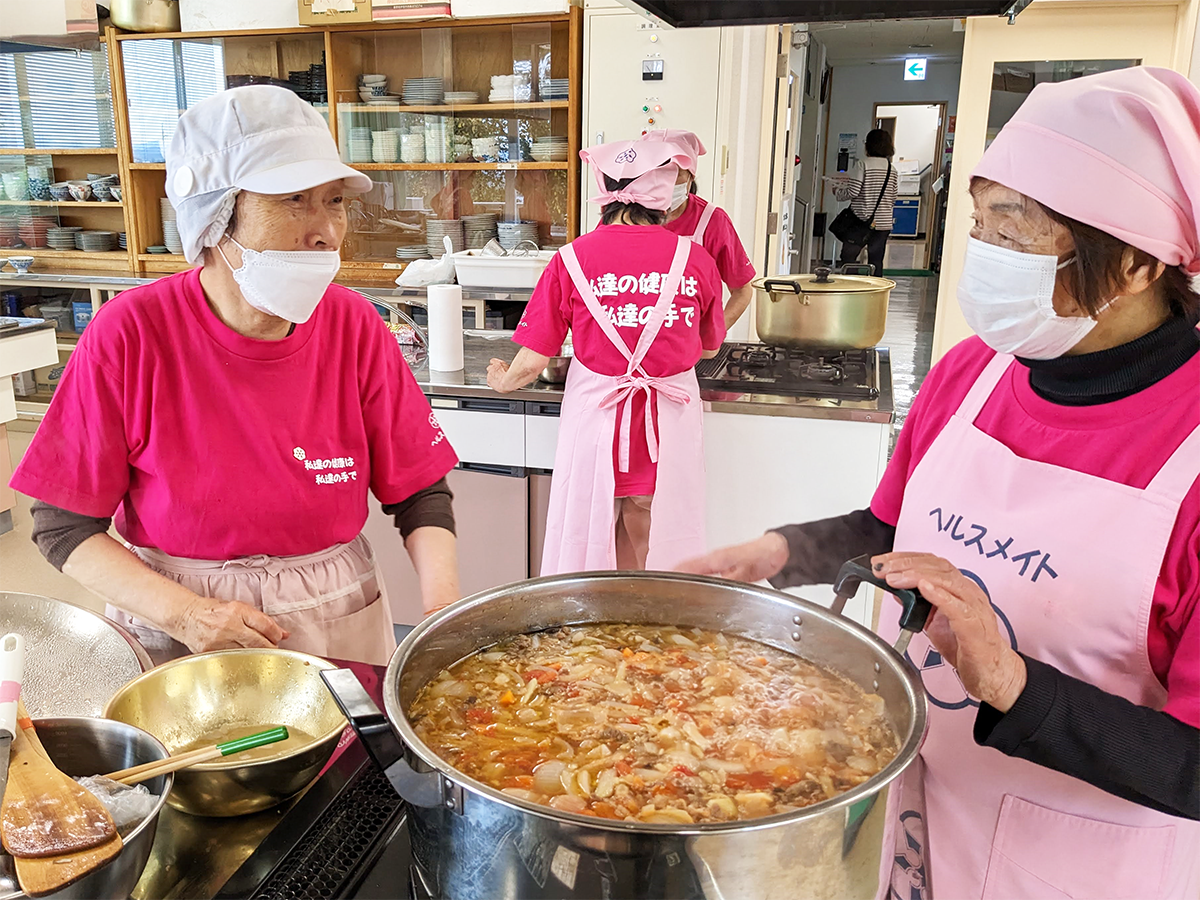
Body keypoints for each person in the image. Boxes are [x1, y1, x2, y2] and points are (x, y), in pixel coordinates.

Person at [680, 67, 1200, 899]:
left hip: (1081, 864)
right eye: (978, 220)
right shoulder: (972, 375)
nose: (984, 252)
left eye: (1015, 228)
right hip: (915, 822)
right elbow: (896, 531)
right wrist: (774, 554)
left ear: (1136, 262)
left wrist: (1013, 683)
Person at [9, 86, 460, 666]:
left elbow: (419, 490)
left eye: (334, 202)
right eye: (294, 200)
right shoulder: (132, 332)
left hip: (336, 609)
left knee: (352, 759)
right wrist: (188, 615)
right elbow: (62, 525)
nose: (325, 231)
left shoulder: (354, 325)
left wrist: (441, 612)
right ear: (216, 216)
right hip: (176, 619)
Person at [487, 139, 724, 573]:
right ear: (661, 194)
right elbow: (708, 346)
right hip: (666, 422)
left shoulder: (570, 259)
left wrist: (503, 379)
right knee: (654, 519)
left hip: (596, 418)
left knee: (592, 521)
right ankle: (650, 618)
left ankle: (593, 617)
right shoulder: (697, 259)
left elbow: (535, 358)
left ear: (603, 193)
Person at [642, 129, 758, 331]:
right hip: (632, 338)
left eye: (673, 173)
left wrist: (711, 334)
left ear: (690, 176)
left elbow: (742, 290)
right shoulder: (623, 217)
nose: (663, 182)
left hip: (690, 345)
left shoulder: (712, 221)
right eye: (654, 173)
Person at [832, 128, 898, 277]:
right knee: (876, 261)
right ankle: (875, 294)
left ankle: (853, 289)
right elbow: (893, 197)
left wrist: (838, 192)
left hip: (861, 222)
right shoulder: (891, 169)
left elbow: (854, 191)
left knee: (848, 259)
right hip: (883, 224)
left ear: (868, 145)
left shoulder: (863, 164)